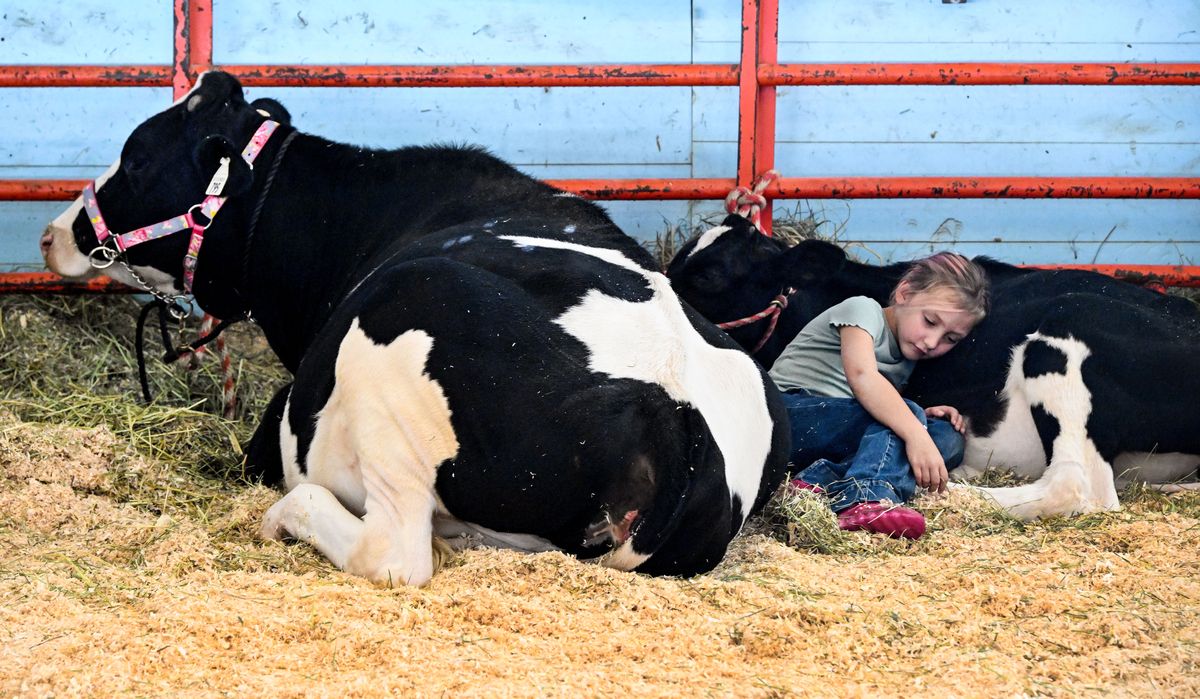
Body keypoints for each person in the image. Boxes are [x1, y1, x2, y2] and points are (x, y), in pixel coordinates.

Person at [770, 251, 990, 539]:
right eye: (930, 321)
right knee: (909, 422)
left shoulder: (907, 353)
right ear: (905, 293)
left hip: (833, 431)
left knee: (947, 437)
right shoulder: (862, 310)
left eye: (950, 339)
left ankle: (817, 481)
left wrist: (923, 418)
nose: (932, 342)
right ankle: (865, 497)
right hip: (785, 415)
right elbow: (863, 378)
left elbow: (876, 414)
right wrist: (914, 426)